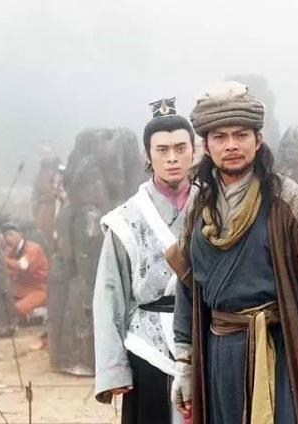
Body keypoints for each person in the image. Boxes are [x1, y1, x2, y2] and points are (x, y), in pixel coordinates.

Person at [166, 81, 298, 424]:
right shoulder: (198, 208)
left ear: (258, 140)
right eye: (220, 137)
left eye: (241, 135)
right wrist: (184, 362)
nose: (232, 145)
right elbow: (189, 289)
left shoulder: (290, 202)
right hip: (217, 356)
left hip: (280, 353)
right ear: (206, 146)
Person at [93, 98, 195, 424]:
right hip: (147, 346)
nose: (172, 157)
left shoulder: (213, 207)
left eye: (180, 148)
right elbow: (109, 293)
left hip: (203, 338)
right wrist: (113, 369)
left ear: (195, 151)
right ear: (147, 155)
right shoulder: (126, 219)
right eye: (162, 150)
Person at [1, 221, 49, 317]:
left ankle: (46, 312)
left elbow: (22, 266)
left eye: (11, 234)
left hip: (38, 290)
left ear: (20, 234)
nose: (8, 238)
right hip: (20, 290)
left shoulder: (33, 248)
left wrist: (2, 258)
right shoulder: (10, 250)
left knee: (17, 309)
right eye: (5, 236)